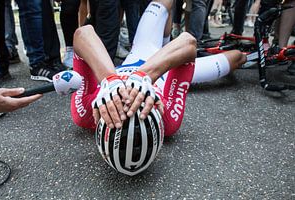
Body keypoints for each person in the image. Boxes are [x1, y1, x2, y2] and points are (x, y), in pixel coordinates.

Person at [70, 0, 246, 135]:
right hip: (169, 72)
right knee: (239, 57)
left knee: (160, 3)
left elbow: (84, 34)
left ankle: (165, 41)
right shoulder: (166, 121)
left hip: (141, 50)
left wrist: (110, 80)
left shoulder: (86, 114)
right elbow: (188, 42)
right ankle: (166, 43)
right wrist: (142, 76)